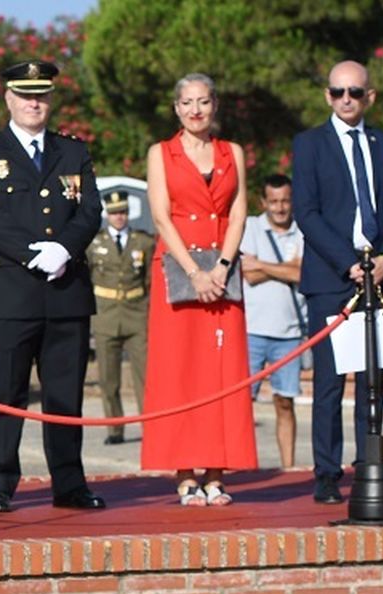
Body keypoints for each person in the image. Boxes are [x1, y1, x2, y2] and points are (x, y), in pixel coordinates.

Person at [0, 60, 106, 513]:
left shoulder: (72, 150)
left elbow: (90, 210)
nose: (33, 103)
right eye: (24, 95)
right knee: (5, 394)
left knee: (65, 397)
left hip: (66, 291)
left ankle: (69, 484)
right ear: (8, 98)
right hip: (10, 293)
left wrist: (63, 249)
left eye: (40, 95)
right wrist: (31, 252)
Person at [292, 60, 383, 503]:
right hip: (331, 278)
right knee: (328, 383)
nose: (346, 99)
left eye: (355, 93)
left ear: (370, 97)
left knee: (372, 383)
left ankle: (369, 463)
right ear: (327, 96)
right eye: (338, 92)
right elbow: (307, 212)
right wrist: (349, 263)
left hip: (380, 276)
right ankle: (327, 471)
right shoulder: (309, 145)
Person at [142, 73, 256, 505]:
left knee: (221, 372)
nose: (195, 111)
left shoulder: (233, 153)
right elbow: (161, 216)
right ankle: (185, 471)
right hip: (178, 268)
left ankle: (216, 470)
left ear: (214, 106)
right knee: (180, 373)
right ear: (176, 108)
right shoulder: (161, 153)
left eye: (203, 102)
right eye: (187, 103)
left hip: (223, 270)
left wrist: (223, 266)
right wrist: (195, 272)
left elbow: (240, 209)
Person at [241, 174, 306, 469]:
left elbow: (301, 274)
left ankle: (288, 466)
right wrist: (285, 268)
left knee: (285, 403)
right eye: (274, 201)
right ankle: (243, 467)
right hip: (252, 330)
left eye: (285, 201)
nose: (280, 208)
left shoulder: (302, 230)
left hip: (290, 332)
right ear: (264, 202)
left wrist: (263, 264)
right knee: (243, 404)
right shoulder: (252, 226)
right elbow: (248, 274)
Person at [85, 189, 154, 446]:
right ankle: (115, 428)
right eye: (114, 213)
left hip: (136, 313)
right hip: (106, 314)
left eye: (122, 212)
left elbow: (149, 279)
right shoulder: (95, 244)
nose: (119, 218)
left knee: (144, 377)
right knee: (108, 377)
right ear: (107, 215)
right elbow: (89, 276)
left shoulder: (143, 242)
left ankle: (151, 425)